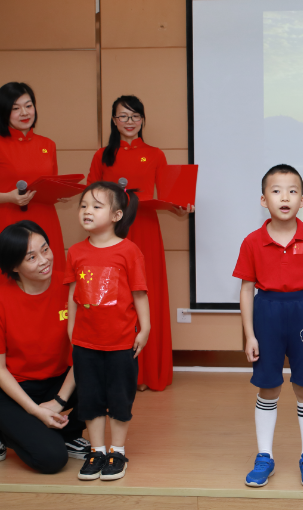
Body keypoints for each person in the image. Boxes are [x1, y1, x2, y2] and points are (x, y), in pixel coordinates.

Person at [233, 164, 303, 488]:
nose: (285, 197)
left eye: (293, 191)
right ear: (263, 200)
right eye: (276, 191)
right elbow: (246, 290)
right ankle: (264, 456)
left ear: (302, 200)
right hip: (267, 313)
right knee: (268, 386)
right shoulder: (252, 241)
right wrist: (250, 335)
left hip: (302, 312)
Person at [87, 95, 191, 392]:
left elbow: (169, 198)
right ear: (114, 121)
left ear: (143, 120)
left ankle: (146, 373)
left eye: (135, 116)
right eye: (123, 116)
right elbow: (90, 197)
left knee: (146, 294)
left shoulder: (155, 154)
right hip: (112, 232)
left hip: (146, 230)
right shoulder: (102, 155)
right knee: (113, 299)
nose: (129, 122)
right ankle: (117, 374)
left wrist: (181, 207)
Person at [0, 82, 66, 398]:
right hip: (9, 225)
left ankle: (52, 374)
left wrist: (60, 192)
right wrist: (8, 196)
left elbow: (48, 182)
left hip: (45, 222)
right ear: (4, 113)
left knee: (53, 293)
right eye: (16, 108)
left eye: (28, 105)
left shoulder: (48, 144)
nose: (24, 112)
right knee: (5, 297)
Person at [0, 221, 90, 473]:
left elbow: (84, 351)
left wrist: (58, 402)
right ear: (14, 266)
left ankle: (67, 432)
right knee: (52, 459)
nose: (45, 260)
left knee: (111, 369)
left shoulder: (70, 286)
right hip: (9, 390)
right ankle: (0, 427)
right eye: (32, 257)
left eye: (45, 249)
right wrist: (35, 411)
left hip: (55, 381)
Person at [65, 182, 150, 481]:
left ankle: (117, 451)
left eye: (96, 206)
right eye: (83, 205)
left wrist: (145, 328)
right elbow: (73, 293)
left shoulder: (129, 251)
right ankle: (97, 450)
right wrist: (71, 327)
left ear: (116, 215)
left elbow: (139, 293)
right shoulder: (76, 252)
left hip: (121, 342)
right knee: (90, 399)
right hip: (86, 343)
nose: (87, 211)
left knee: (119, 399)